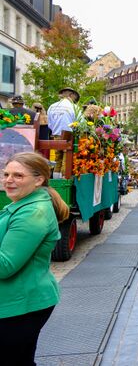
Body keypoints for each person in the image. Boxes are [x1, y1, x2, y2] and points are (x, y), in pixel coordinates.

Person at [0, 152, 69, 363]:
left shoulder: (33, 212)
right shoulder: (23, 205)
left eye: (18, 176)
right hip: (19, 301)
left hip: (20, 304)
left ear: (39, 180)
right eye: (6, 174)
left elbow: (5, 265)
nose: (9, 180)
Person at [47, 86, 79, 176]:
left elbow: (49, 124)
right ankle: (64, 182)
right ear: (71, 95)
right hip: (69, 136)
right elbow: (79, 123)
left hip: (56, 136)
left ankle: (56, 181)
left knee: (57, 160)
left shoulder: (52, 106)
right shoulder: (74, 107)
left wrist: (56, 130)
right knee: (66, 160)